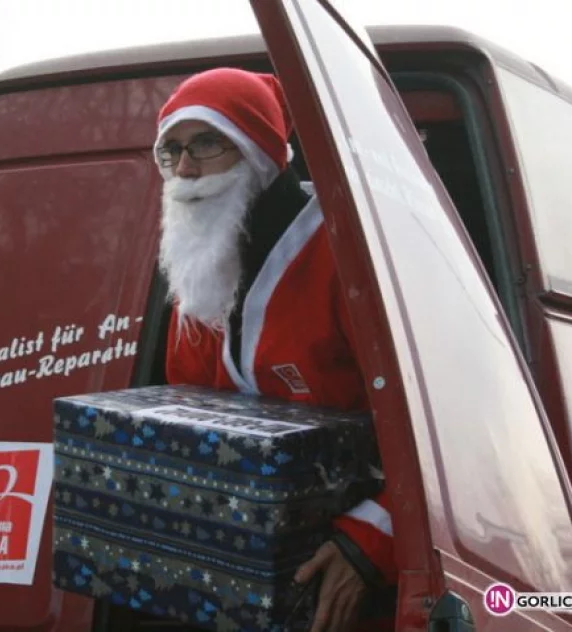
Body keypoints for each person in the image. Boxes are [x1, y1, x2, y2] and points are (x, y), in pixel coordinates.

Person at [153, 67, 396, 632]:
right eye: (172, 150)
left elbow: (443, 428)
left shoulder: (351, 252)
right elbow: (189, 415)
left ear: (260, 153)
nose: (185, 169)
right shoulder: (198, 272)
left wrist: (371, 540)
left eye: (207, 143)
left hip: (361, 573)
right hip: (244, 569)